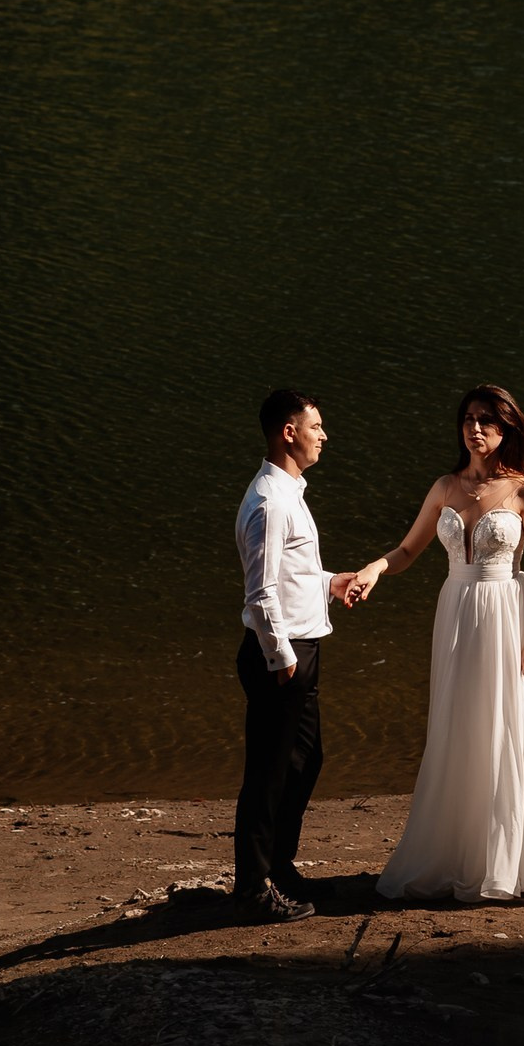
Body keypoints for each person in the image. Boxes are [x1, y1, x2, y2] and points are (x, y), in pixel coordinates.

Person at [350, 385, 524, 900]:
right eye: (468, 419)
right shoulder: (445, 487)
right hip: (456, 611)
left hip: (507, 616)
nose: (475, 429)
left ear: (506, 429)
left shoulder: (522, 492)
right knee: (460, 725)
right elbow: (407, 549)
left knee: (511, 727)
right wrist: (376, 568)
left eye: (487, 421)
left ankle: (512, 859)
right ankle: (458, 851)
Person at [234, 387, 362, 922]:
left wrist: (331, 583)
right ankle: (251, 891)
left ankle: (279, 866)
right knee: (268, 774)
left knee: (306, 761)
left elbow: (294, 576)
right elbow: (260, 593)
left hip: (301, 649)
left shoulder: (290, 494)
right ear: (290, 432)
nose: (324, 436)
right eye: (317, 427)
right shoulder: (270, 502)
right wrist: (281, 657)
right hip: (280, 658)